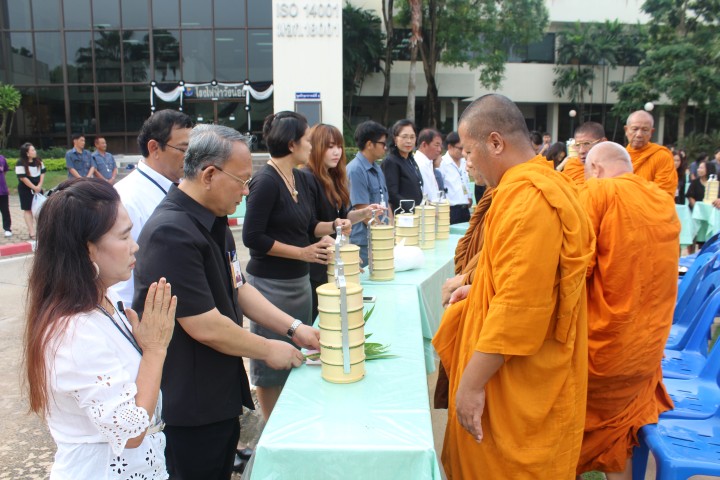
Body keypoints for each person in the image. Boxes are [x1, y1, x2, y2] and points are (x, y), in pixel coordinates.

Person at [133, 124, 321, 479]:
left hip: (218, 393)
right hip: (190, 404)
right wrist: (268, 348)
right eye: (242, 181)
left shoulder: (213, 220)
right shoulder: (171, 232)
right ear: (209, 175)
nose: (247, 191)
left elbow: (239, 288)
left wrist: (295, 328)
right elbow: (203, 323)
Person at [432, 94, 594, 479]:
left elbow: (519, 310)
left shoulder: (531, 199)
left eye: (469, 151)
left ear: (495, 143)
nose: (467, 163)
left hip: (515, 377)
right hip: (513, 363)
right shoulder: (531, 186)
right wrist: (477, 288)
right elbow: (522, 276)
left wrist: (471, 386)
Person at [23, 178, 176, 479]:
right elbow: (130, 430)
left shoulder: (105, 299)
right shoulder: (74, 331)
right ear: (88, 250)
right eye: (124, 236)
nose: (135, 246)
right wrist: (155, 350)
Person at [577, 142, 679, 479]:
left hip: (601, 354)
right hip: (646, 351)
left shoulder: (598, 193)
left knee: (556, 414)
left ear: (595, 169)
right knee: (620, 434)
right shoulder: (662, 200)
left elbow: (574, 269)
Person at [243, 112, 350, 420]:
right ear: (291, 144)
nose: (311, 146)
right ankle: (271, 426)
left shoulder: (302, 178)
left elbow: (310, 225)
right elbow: (253, 237)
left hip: (299, 283)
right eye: (307, 140)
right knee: (270, 367)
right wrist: (302, 253)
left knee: (299, 356)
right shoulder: (265, 181)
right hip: (270, 287)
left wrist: (334, 225)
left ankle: (295, 419)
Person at [301, 123, 384, 319]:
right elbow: (310, 226)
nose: (336, 152)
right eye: (330, 146)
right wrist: (343, 249)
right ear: (315, 147)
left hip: (334, 257)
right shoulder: (306, 177)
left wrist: (364, 213)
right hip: (318, 262)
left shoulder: (334, 176)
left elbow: (343, 218)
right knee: (324, 317)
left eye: (339, 146)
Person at [111, 109, 193, 306]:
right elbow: (121, 282)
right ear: (154, 148)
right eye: (184, 150)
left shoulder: (184, 187)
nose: (191, 157)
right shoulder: (126, 199)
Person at [347, 120, 391, 265]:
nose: (385, 148)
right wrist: (383, 235)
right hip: (364, 242)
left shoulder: (376, 168)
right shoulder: (356, 170)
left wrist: (390, 230)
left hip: (379, 237)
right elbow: (362, 210)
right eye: (382, 144)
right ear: (369, 144)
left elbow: (385, 202)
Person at [624, 110, 677, 196]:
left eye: (645, 130)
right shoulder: (619, 156)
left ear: (651, 132)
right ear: (626, 130)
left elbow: (664, 192)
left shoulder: (662, 156)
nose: (639, 134)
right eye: (635, 129)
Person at [382, 119, 423, 212]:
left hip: (415, 213)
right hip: (401, 214)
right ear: (395, 139)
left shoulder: (410, 159)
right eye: (404, 137)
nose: (409, 141)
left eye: (412, 137)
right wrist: (412, 208)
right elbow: (392, 194)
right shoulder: (391, 162)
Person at [439, 131, 472, 224]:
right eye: (460, 148)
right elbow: (439, 187)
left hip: (465, 208)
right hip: (451, 210)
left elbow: (466, 181)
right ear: (450, 147)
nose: (463, 152)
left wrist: (469, 196)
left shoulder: (464, 162)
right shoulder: (442, 163)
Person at [15, 142, 45, 240]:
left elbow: (42, 173)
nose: (34, 151)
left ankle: (41, 230)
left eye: (34, 150)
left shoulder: (38, 161)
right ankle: (31, 232)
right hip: (26, 190)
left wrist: (39, 186)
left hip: (38, 188)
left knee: (40, 209)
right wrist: (34, 187)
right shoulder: (20, 163)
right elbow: (23, 178)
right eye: (32, 150)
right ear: (27, 153)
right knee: (28, 209)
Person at [414, 128, 443, 201]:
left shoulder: (428, 162)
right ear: (424, 145)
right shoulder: (420, 164)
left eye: (440, 146)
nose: (439, 149)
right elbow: (428, 194)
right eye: (436, 145)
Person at [0, 153, 11, 237]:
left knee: (5, 210)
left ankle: (7, 228)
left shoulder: (2, 158)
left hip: (2, 190)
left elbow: (5, 171)